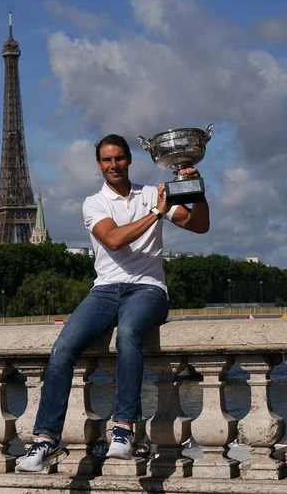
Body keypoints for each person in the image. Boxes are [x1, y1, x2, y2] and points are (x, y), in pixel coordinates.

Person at [16, 134, 209, 472]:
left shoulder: (152, 193)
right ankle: (46, 439)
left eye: (119, 158)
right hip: (105, 290)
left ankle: (124, 428)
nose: (114, 165)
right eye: (107, 160)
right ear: (99, 165)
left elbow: (200, 225)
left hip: (148, 289)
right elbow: (114, 240)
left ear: (129, 160)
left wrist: (199, 192)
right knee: (62, 349)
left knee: (129, 333)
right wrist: (156, 214)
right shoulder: (95, 203)